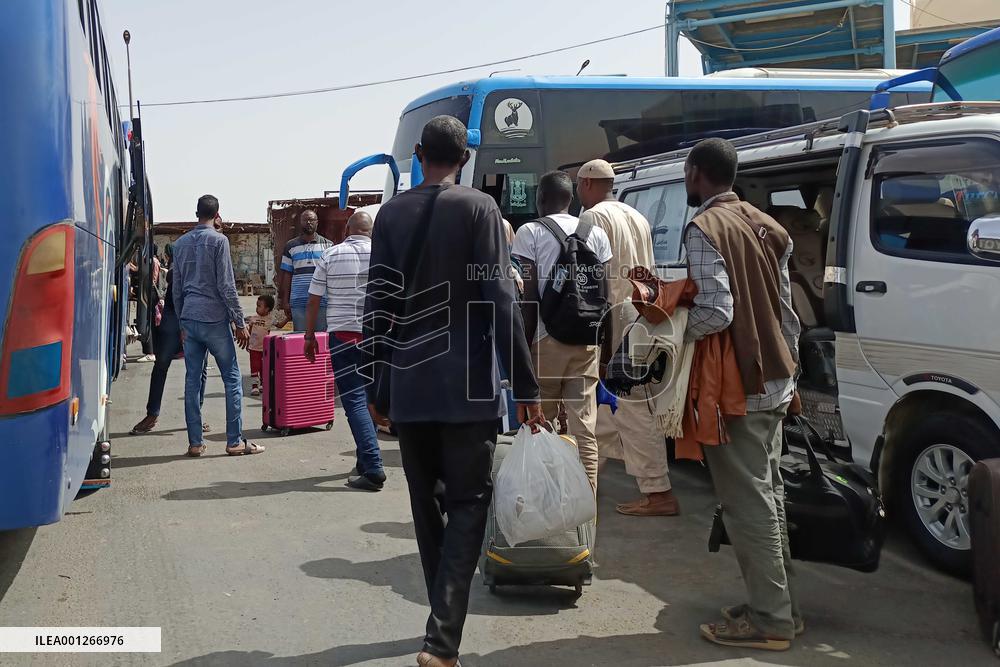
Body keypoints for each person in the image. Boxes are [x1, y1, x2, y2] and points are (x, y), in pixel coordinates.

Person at [363, 115, 543, 667]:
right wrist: (525, 381)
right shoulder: (479, 209)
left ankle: (440, 624)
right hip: (468, 385)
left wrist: (376, 383)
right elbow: (498, 296)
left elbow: (378, 304)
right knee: (468, 504)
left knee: (428, 505)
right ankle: (441, 640)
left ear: (418, 153)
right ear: (464, 158)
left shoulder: (390, 214)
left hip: (411, 385)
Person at [682, 138, 801, 651]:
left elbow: (716, 312)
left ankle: (770, 619)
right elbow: (787, 311)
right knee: (769, 493)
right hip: (775, 378)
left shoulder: (703, 227)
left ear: (695, 174)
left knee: (746, 502)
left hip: (739, 388)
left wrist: (671, 329)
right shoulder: (767, 223)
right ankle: (780, 607)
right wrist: (789, 370)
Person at [577, 158, 679, 517]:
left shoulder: (593, 218)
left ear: (587, 184)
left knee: (631, 405)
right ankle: (584, 480)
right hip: (642, 317)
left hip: (612, 322)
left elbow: (592, 281)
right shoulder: (636, 216)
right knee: (607, 406)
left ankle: (658, 490)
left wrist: (596, 338)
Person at [512, 170, 612, 491]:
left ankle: (550, 504)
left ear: (541, 198)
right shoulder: (596, 233)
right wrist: (604, 347)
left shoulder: (529, 231)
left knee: (543, 426)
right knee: (584, 429)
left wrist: (523, 350)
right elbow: (603, 294)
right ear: (570, 199)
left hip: (545, 340)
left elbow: (528, 298)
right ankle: (587, 513)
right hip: (587, 340)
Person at [172, 194, 265, 458]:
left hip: (190, 317)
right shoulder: (219, 241)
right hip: (214, 320)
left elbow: (176, 288)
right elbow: (226, 285)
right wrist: (239, 322)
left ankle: (195, 443)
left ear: (196, 213)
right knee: (232, 378)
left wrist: (182, 321)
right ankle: (234, 441)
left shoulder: (180, 244)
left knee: (192, 380)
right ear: (218, 214)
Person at [304, 210, 386, 492]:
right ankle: (365, 460)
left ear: (347, 230)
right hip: (378, 337)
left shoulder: (331, 254)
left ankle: (373, 466)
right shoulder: (384, 254)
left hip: (342, 336)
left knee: (354, 400)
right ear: (371, 231)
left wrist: (309, 336)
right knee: (370, 398)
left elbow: (313, 300)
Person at [129, 262, 210, 436]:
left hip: (199, 316)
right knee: (161, 365)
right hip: (174, 316)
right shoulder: (185, 250)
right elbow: (173, 278)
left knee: (199, 370)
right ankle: (152, 414)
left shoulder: (212, 253)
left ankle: (196, 416)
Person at [278, 209, 332, 331]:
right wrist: (285, 301)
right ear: (300, 223)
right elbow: (287, 274)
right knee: (300, 338)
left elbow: (332, 275)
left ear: (317, 222)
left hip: (322, 300)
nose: (308, 222)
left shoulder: (328, 246)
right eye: (305, 220)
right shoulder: (290, 246)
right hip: (298, 301)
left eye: (311, 220)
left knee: (321, 338)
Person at [247, 294, 275, 396]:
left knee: (264, 367)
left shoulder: (270, 319)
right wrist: (247, 343)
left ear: (267, 309)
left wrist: (287, 318)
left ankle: (263, 384)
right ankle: (254, 387)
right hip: (253, 347)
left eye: (259, 306)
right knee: (255, 367)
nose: (257, 308)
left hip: (265, 349)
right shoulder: (253, 318)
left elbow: (279, 325)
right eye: (256, 305)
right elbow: (249, 331)